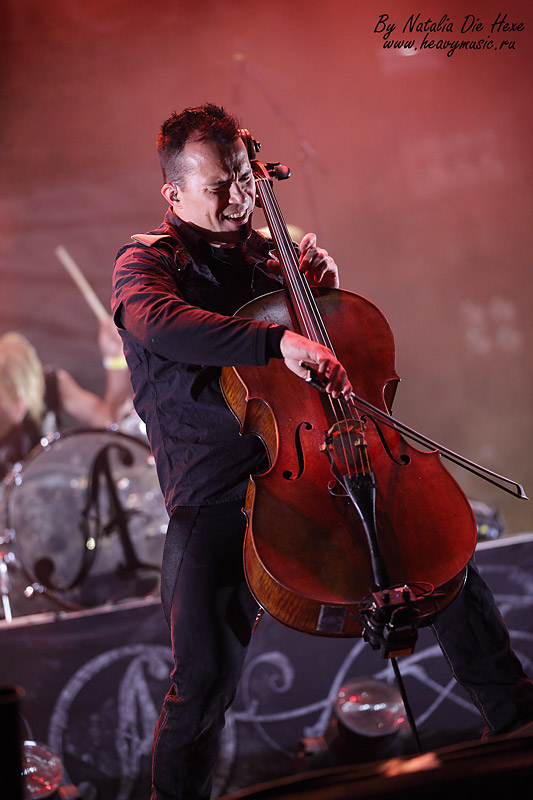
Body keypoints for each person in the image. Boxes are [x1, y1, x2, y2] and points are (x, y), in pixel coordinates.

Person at [112, 104, 533, 800]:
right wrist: (276, 338)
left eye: (245, 179)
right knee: (203, 682)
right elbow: (156, 323)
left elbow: (319, 364)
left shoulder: (265, 254)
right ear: (174, 193)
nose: (239, 197)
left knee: (441, 564)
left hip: (316, 469)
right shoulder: (148, 262)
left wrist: (317, 297)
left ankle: (516, 727)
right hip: (214, 490)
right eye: (218, 186)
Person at [0, 317, 133, 480]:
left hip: (59, 491)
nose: (18, 405)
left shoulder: (51, 384)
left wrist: (115, 358)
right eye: (7, 398)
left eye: (21, 394)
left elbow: (109, 420)